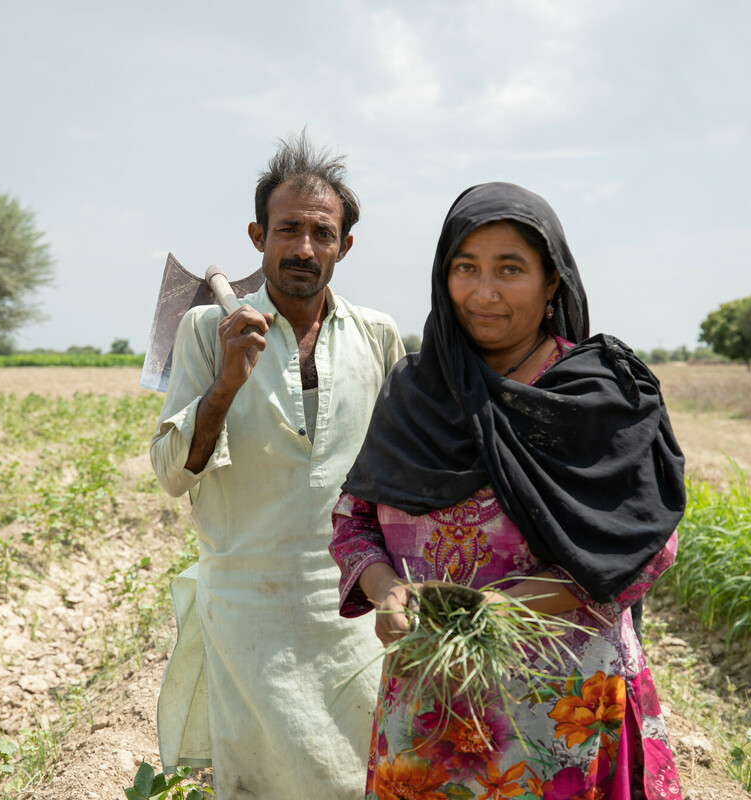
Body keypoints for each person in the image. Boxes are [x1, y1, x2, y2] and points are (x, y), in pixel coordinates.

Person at [330, 182, 687, 799]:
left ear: (553, 282)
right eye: (465, 268)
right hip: (429, 709)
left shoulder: (597, 395)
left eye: (510, 270)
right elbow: (352, 520)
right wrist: (386, 591)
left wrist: (509, 606)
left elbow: (647, 547)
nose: (483, 292)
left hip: (560, 713)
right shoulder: (414, 392)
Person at [149, 133, 404, 799]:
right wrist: (227, 382)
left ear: (344, 247)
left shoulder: (378, 334)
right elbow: (173, 472)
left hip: (353, 605)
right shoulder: (207, 331)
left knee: (362, 775)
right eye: (287, 229)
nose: (303, 249)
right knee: (260, 780)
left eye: (323, 233)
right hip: (248, 610)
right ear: (259, 236)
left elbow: (402, 470)